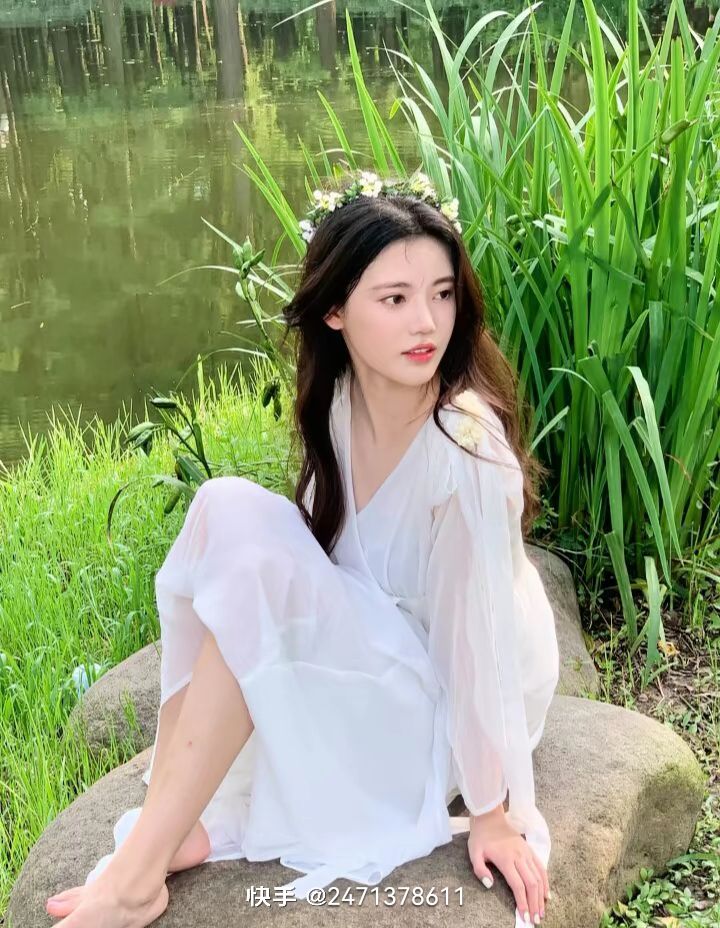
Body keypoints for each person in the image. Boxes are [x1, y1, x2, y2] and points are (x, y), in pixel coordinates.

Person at [44, 170, 560, 928]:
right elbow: (316, 563)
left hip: (440, 701)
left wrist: (491, 811)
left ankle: (137, 876)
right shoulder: (343, 399)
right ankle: (169, 828)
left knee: (253, 576)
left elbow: (474, 646)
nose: (427, 323)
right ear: (334, 312)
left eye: (443, 293)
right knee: (225, 508)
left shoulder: (467, 452)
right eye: (395, 299)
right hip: (380, 646)